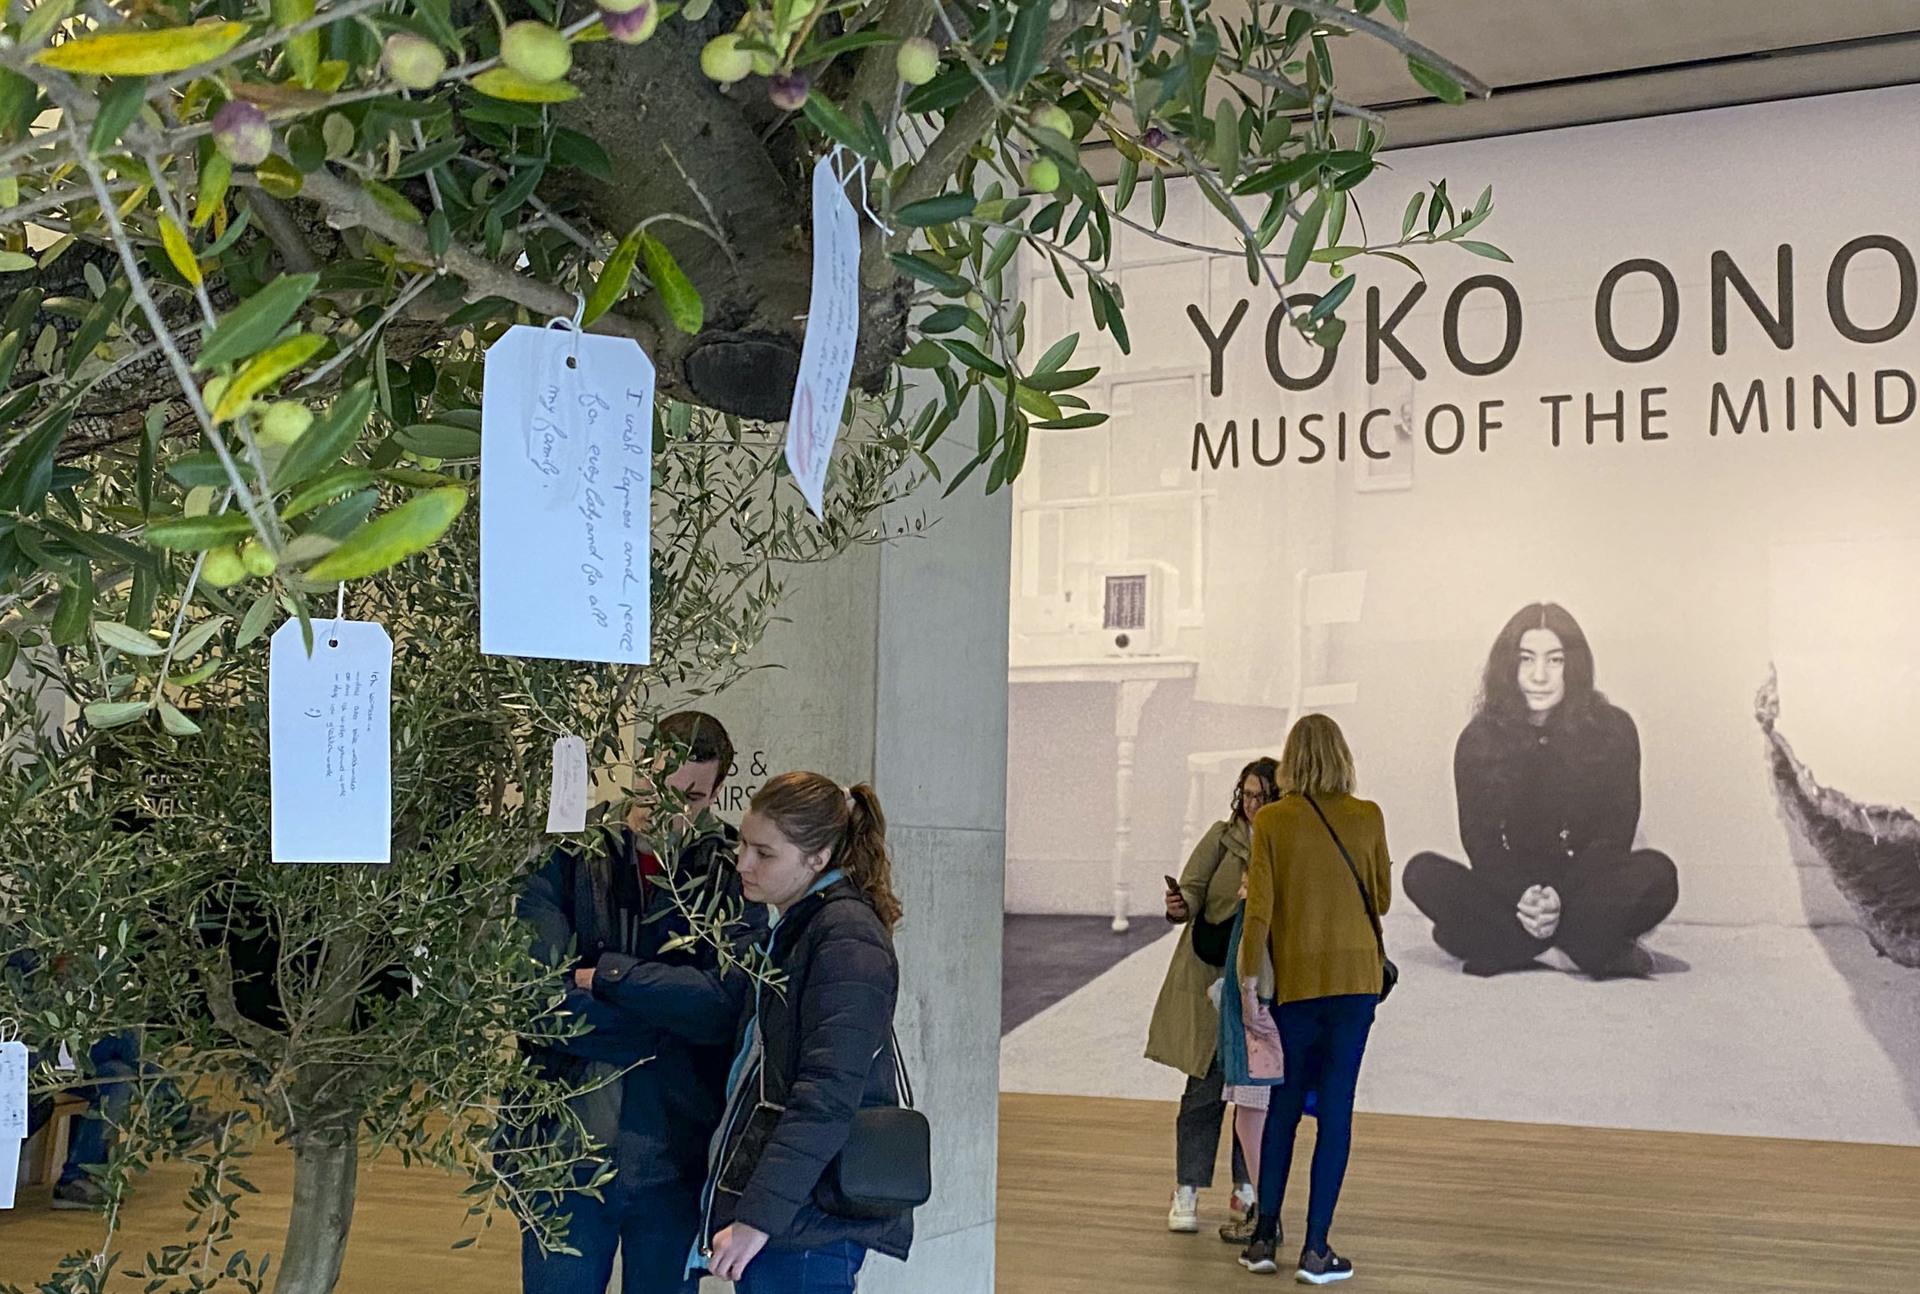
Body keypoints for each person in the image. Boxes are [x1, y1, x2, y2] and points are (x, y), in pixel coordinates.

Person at [516, 710, 767, 1294]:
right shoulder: (569, 853)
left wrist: (606, 977)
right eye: (659, 785)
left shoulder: (731, 873)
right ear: (637, 768)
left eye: (693, 796)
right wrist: (665, 1018)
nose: (671, 808)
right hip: (563, 1154)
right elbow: (536, 999)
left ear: (717, 793)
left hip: (675, 1158)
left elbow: (726, 1007)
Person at [698, 772, 913, 1292]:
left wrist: (759, 1218)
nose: (742, 863)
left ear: (818, 858)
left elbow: (825, 1095)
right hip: (798, 1214)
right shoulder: (806, 927)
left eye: (764, 853)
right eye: (743, 845)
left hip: (808, 1223)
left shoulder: (845, 939)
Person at [1404, 603, 1679, 979]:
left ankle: (1503, 947)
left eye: (1555, 661)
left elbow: (1614, 838)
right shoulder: (1479, 739)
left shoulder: (1614, 730)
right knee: (1421, 872)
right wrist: (1523, 896)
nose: (1538, 676)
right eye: (1525, 660)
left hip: (1586, 887)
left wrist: (1560, 898)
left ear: (1574, 667)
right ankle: (1583, 953)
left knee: (1659, 874)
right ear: (1508, 667)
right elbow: (1481, 845)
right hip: (1512, 894)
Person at [1238, 714, 1391, 1284]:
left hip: (1296, 989)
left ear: (1290, 760)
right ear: (1343, 755)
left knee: (1282, 1108)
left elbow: (1259, 915)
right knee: (1335, 1112)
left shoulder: (1273, 822)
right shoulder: (1368, 816)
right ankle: (1317, 1250)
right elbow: (1382, 895)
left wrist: (1248, 985)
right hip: (1355, 985)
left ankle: (1263, 1239)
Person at [1145, 759, 1277, 1236]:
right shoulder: (1222, 837)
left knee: (1254, 1092)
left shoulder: (1286, 840)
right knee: (1203, 1089)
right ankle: (1187, 1189)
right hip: (1210, 982)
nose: (1252, 804)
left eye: (1262, 795)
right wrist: (1179, 905)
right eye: (1246, 794)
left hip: (1260, 986)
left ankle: (1247, 1189)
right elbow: (1192, 893)